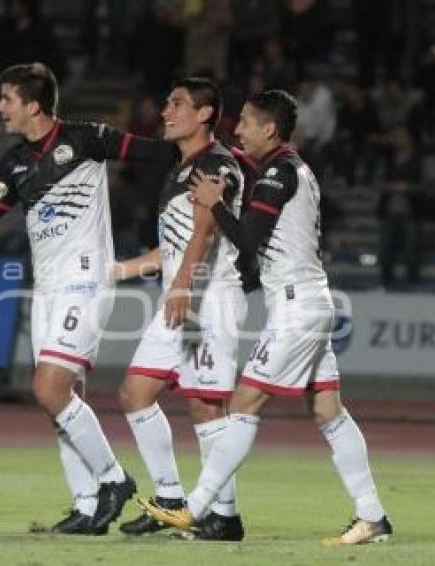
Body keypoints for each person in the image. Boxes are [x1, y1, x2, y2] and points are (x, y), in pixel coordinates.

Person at [0, 62, 178, 535]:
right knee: (62, 399)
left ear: (33, 105)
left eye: (6, 99)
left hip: (85, 279)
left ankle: (114, 481)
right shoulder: (13, 163)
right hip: (46, 287)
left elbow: (158, 154)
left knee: (47, 387)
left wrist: (210, 167)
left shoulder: (88, 138)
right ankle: (86, 505)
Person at [142, 90, 392, 545]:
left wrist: (216, 202)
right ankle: (372, 515)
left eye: (246, 123)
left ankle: (196, 508)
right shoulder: (294, 168)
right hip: (308, 300)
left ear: (269, 129)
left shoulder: (279, 173)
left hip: (297, 309)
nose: (237, 130)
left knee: (244, 404)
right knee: (327, 410)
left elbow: (248, 238)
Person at [114, 78, 252, 540]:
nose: (165, 112)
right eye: (166, 102)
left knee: (206, 406)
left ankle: (225, 517)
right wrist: (120, 271)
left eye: (176, 104)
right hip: (183, 293)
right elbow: (172, 245)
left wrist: (180, 286)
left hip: (207, 299)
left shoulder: (216, 163)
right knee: (135, 394)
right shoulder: (181, 167)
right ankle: (170, 497)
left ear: (206, 114)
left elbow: (206, 230)